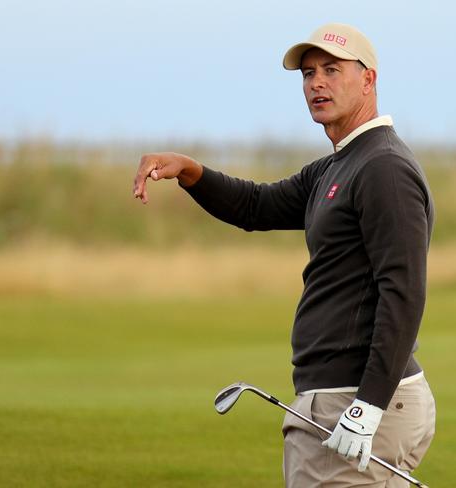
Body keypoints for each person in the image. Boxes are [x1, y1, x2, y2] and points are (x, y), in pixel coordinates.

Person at [133, 23, 435, 488]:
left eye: (332, 70)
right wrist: (190, 171)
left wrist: (368, 404)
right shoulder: (339, 164)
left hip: (352, 398)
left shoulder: (384, 169)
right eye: (309, 73)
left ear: (368, 79)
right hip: (342, 396)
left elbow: (404, 292)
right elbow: (258, 205)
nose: (316, 82)